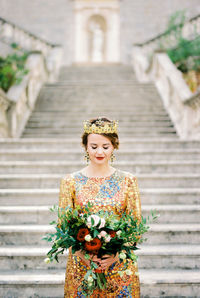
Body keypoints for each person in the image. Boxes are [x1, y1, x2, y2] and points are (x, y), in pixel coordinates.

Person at [58, 117, 141, 297]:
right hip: (82, 267)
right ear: (85, 147)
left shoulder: (128, 181)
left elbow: (135, 226)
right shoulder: (70, 182)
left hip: (120, 267)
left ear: (114, 146)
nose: (99, 152)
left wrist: (116, 255)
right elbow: (63, 227)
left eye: (106, 146)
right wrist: (83, 256)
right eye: (94, 146)